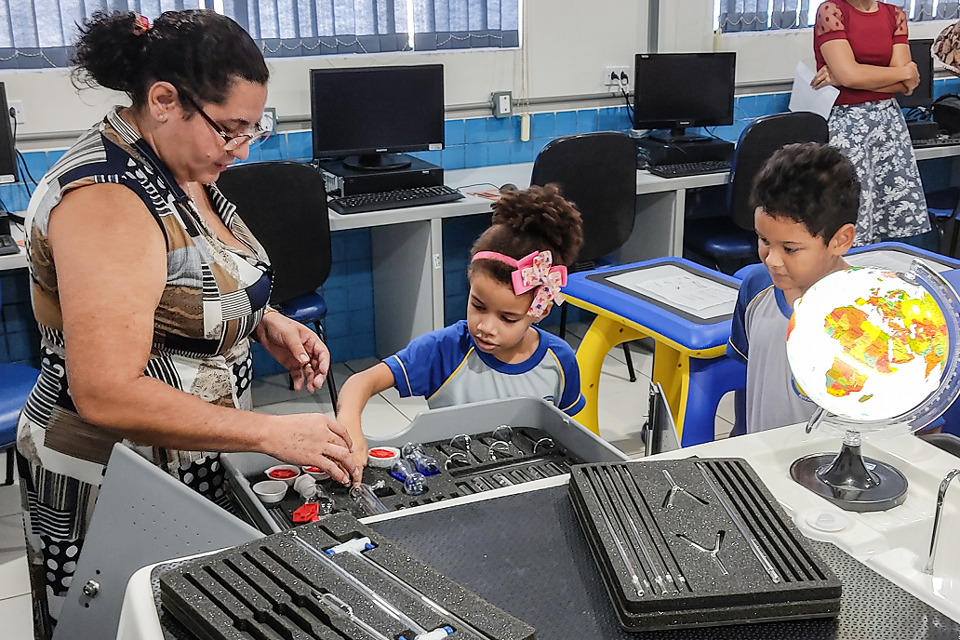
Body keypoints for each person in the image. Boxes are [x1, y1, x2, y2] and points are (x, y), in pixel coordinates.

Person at [16, 10, 359, 637]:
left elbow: (192, 277)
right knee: (123, 624)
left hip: (189, 452)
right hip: (112, 473)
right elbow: (105, 389)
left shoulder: (181, 168)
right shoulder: (106, 199)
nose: (243, 150)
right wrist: (267, 434)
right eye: (229, 130)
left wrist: (264, 321)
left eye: (251, 131)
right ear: (165, 99)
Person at [337, 185, 586, 469]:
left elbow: (571, 440)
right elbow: (360, 382)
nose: (486, 327)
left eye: (508, 318)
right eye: (478, 306)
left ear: (539, 310)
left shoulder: (560, 361)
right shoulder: (445, 350)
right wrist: (351, 429)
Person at [727, 143, 858, 434]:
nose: (772, 260)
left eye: (790, 248)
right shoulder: (755, 286)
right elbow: (748, 380)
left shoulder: (872, 314)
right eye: (763, 240)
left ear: (841, 240)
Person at [811, 0, 930, 247]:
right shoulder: (832, 11)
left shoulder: (894, 14)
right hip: (846, 124)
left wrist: (848, 77)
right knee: (848, 218)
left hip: (888, 124)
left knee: (884, 220)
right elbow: (851, 75)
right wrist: (902, 73)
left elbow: (906, 85)